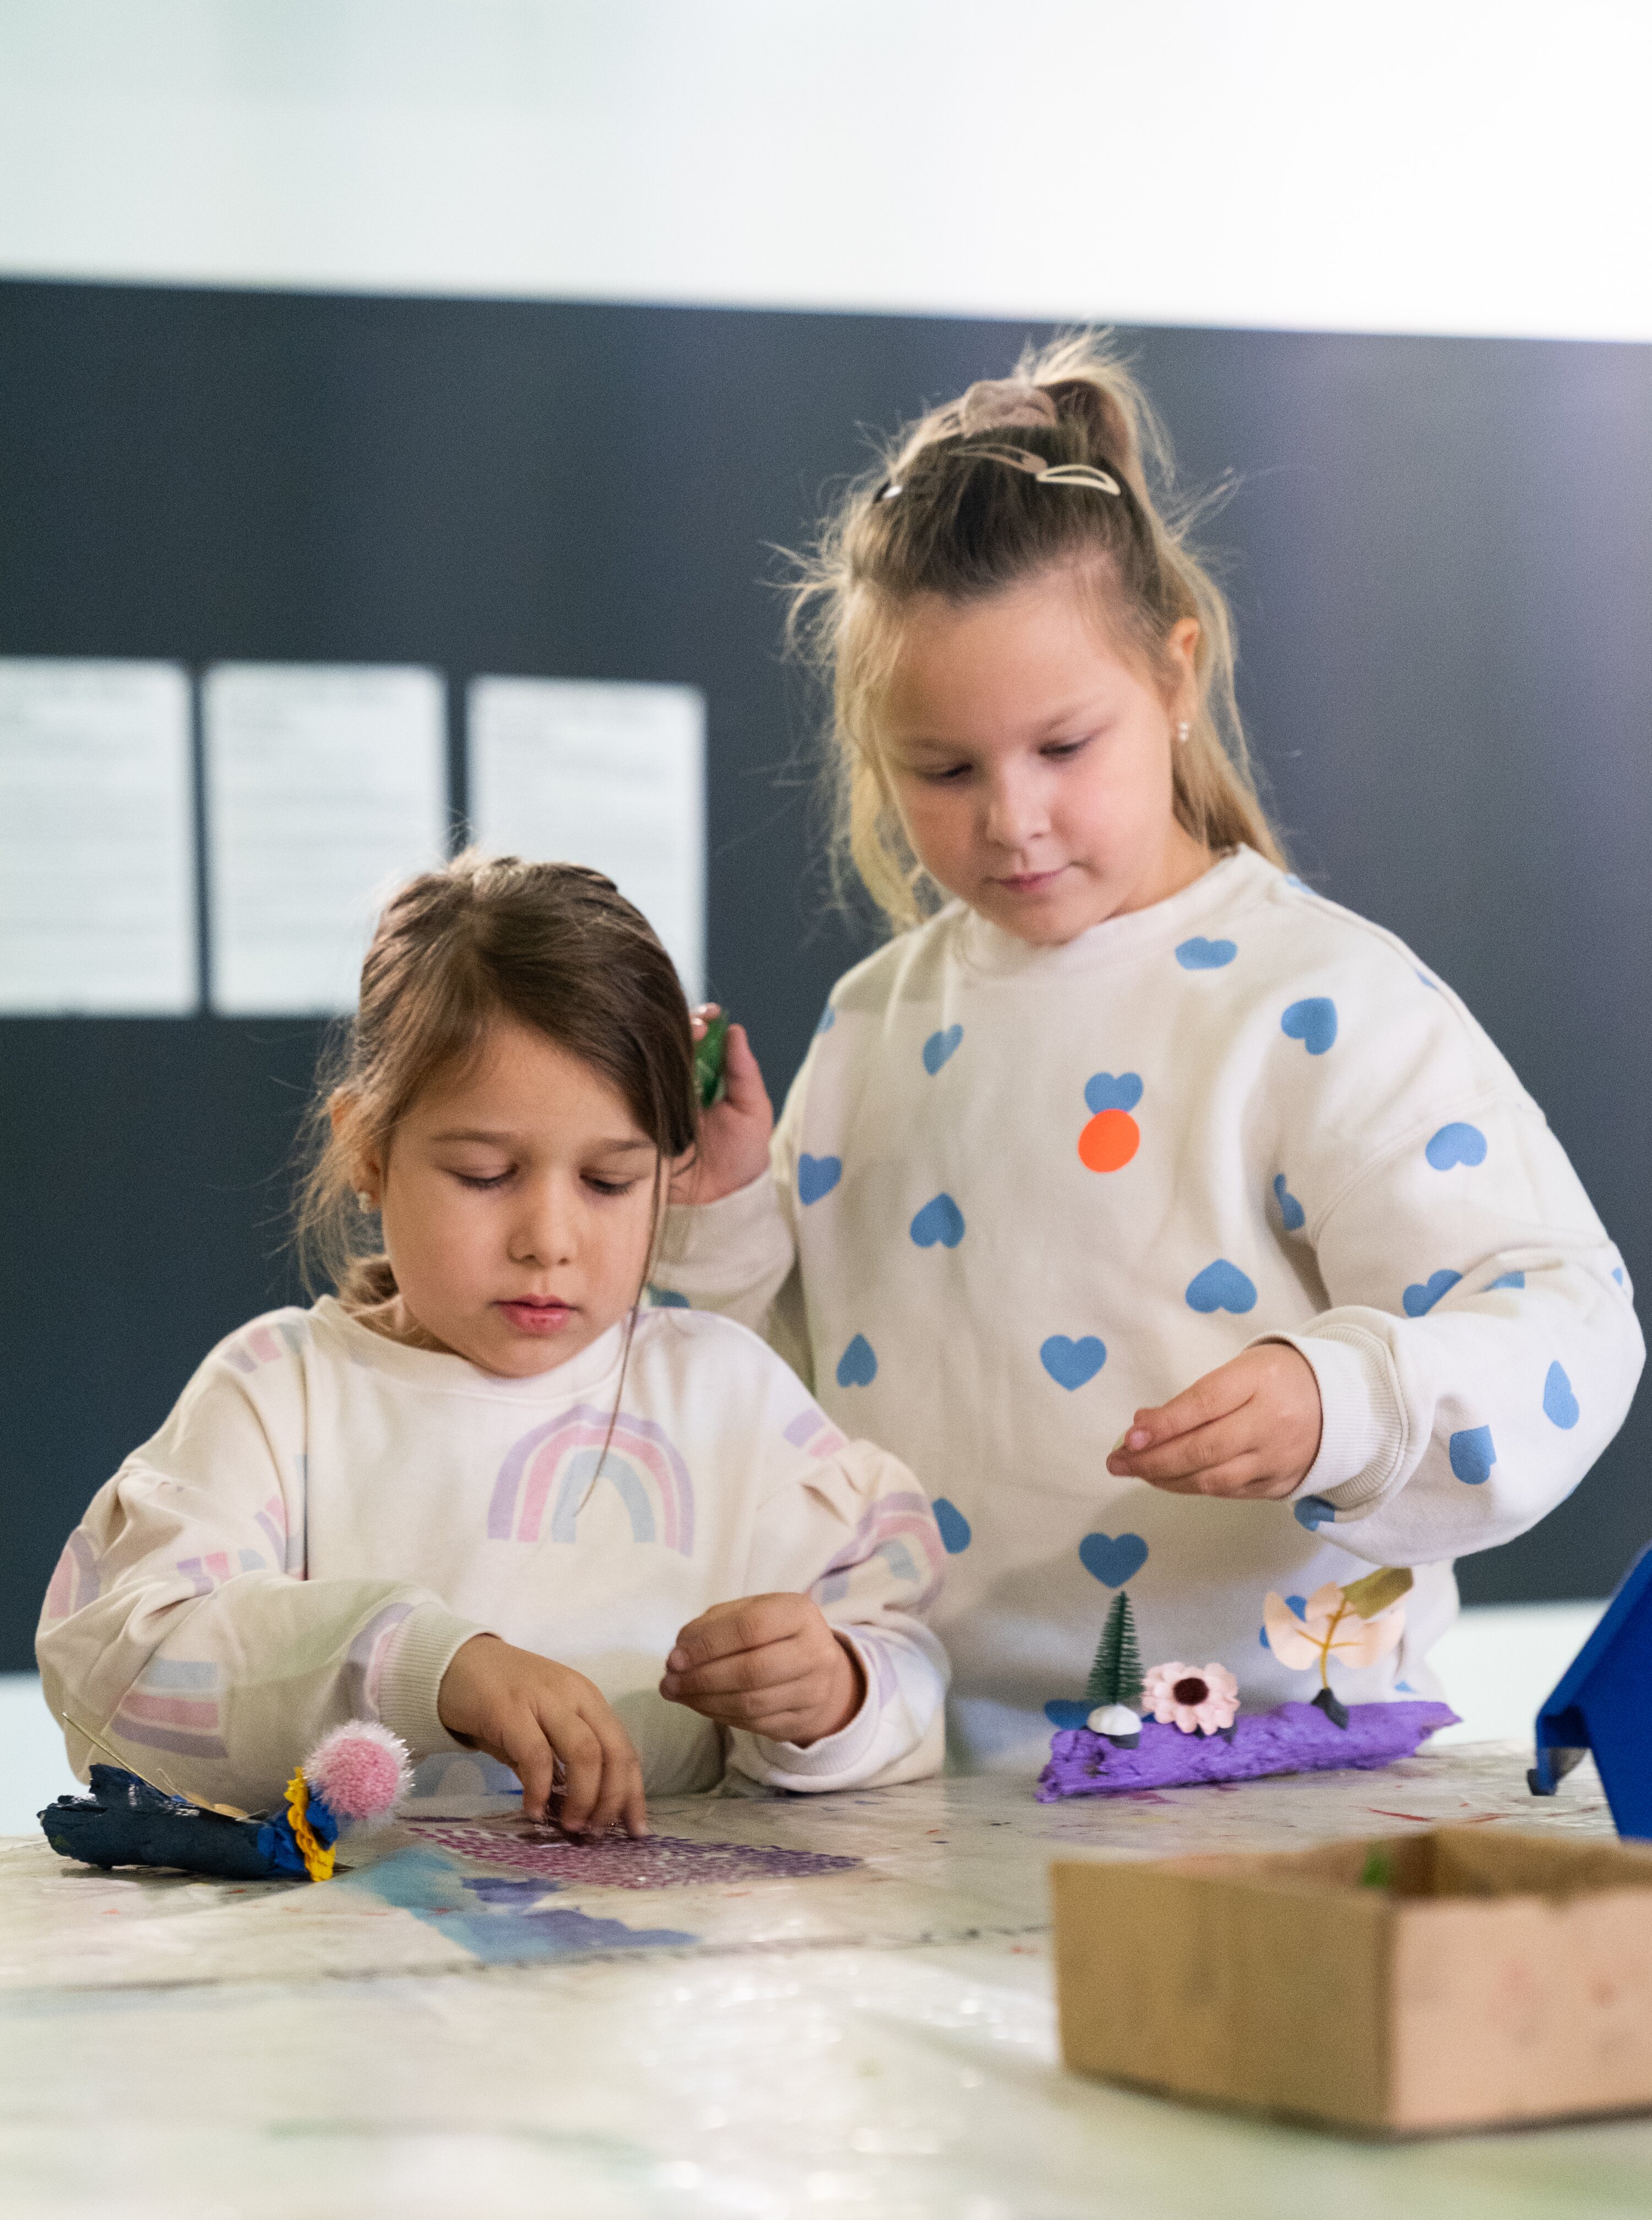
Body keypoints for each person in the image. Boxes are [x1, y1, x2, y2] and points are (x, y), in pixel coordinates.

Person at [656, 335, 1643, 1767]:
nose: (1012, 819)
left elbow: (1569, 1322)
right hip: (921, 1784)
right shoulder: (875, 1021)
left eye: (1064, 746)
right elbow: (784, 1423)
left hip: (1279, 1780)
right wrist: (727, 1221)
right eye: (944, 768)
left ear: (1176, 673)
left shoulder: (1321, 999)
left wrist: (1342, 1401)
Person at [37, 857, 948, 1833]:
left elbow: (907, 1659)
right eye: (484, 1174)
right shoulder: (281, 1393)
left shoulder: (729, 1397)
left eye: (609, 1182)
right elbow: (120, 1681)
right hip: (360, 1930)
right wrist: (427, 1668)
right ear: (367, 1151)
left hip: (658, 1929)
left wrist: (837, 1694)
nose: (549, 1240)